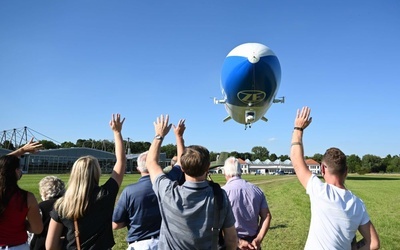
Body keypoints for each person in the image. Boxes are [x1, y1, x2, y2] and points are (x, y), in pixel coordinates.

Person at [290, 106, 380, 250]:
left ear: (322, 168)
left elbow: (296, 159)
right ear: (346, 171)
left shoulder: (319, 191)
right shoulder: (358, 204)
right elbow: (374, 243)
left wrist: (298, 129)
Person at [146, 114, 238, 250]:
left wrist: (159, 135)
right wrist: (179, 137)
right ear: (208, 168)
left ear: (181, 167)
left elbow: (151, 162)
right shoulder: (220, 196)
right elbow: (231, 239)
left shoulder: (168, 192)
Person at [46, 113, 126, 250]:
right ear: (96, 173)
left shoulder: (61, 205)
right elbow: (121, 161)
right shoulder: (105, 194)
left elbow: (50, 246)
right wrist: (117, 132)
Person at [112, 119, 186, 250]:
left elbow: (116, 224)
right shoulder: (168, 181)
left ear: (138, 168)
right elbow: (181, 161)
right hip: (166, 242)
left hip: (139, 244)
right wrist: (179, 136)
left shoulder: (129, 191)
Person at [0, 138, 43, 249]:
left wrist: (22, 150)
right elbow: (37, 229)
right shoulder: (27, 197)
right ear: (16, 171)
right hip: (17, 246)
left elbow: (3, 164)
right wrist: (21, 223)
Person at [222, 156, 272, 249]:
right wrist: (258, 239)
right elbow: (267, 216)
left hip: (232, 243)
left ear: (225, 172)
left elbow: (217, 223)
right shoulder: (256, 190)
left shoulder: (222, 192)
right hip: (253, 243)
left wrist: (238, 241)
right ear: (240, 170)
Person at [30, 176, 66, 250]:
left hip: (41, 245)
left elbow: (33, 230)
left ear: (44, 192)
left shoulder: (41, 207)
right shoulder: (68, 205)